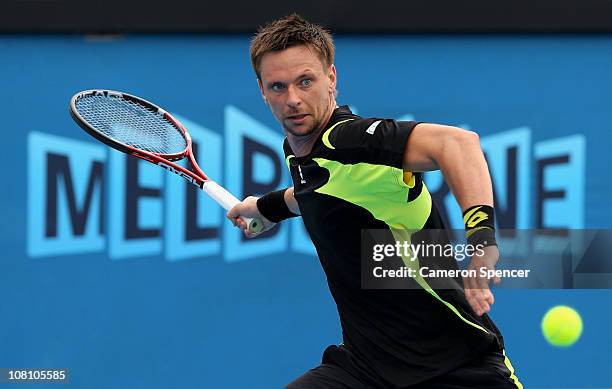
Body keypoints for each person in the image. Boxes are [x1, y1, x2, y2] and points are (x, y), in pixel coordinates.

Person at [227, 14, 523, 389]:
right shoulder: (302, 150)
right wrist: (267, 208)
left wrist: (481, 241)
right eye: (278, 87)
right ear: (262, 90)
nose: (293, 100)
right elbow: (322, 191)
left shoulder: (351, 141)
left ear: (331, 78)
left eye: (306, 81)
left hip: (454, 367)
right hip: (367, 368)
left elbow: (459, 144)